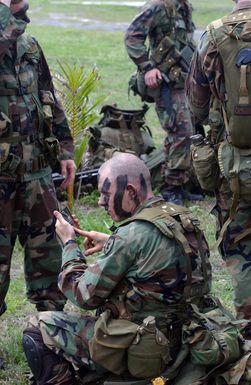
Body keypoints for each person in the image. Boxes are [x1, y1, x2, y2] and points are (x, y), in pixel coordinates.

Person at [21, 152, 215, 384]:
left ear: (131, 191)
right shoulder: (181, 218)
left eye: (106, 194)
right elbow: (159, 259)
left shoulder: (130, 236)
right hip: (188, 340)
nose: (101, 202)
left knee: (37, 327)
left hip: (147, 350)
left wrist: (69, 243)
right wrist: (112, 241)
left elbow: (82, 295)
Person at [0, 0, 76, 317]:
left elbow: (48, 96)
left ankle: (49, 345)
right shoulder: (8, 32)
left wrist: (65, 148)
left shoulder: (30, 45)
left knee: (49, 267)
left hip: (37, 176)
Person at [186, 0, 251, 327]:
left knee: (239, 248)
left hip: (234, 169)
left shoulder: (214, 36)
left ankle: (249, 327)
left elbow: (196, 106)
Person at [124, 0, 202, 205]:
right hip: (165, 82)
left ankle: (180, 183)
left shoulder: (183, 6)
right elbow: (132, 36)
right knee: (180, 132)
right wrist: (147, 67)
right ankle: (171, 188)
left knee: (187, 132)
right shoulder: (157, 6)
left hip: (182, 80)